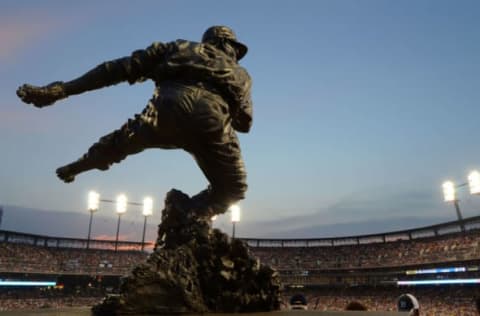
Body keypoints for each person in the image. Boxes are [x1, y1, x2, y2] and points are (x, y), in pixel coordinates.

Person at [17, 26, 252, 217]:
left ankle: (78, 166)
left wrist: (66, 89)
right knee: (233, 189)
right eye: (234, 48)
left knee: (126, 139)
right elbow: (245, 124)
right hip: (211, 121)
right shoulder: (241, 74)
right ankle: (189, 215)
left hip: (167, 108)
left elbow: (117, 69)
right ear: (225, 44)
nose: (235, 54)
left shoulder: (179, 46)